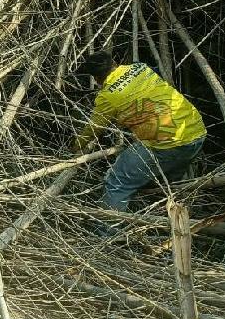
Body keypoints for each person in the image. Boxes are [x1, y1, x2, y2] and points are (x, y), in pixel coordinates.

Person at [73, 50, 206, 212]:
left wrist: (76, 146)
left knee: (117, 181)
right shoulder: (141, 68)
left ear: (96, 79)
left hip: (167, 146)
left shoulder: (107, 96)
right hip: (197, 131)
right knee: (163, 181)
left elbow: (94, 129)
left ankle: (106, 227)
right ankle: (164, 213)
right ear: (114, 63)